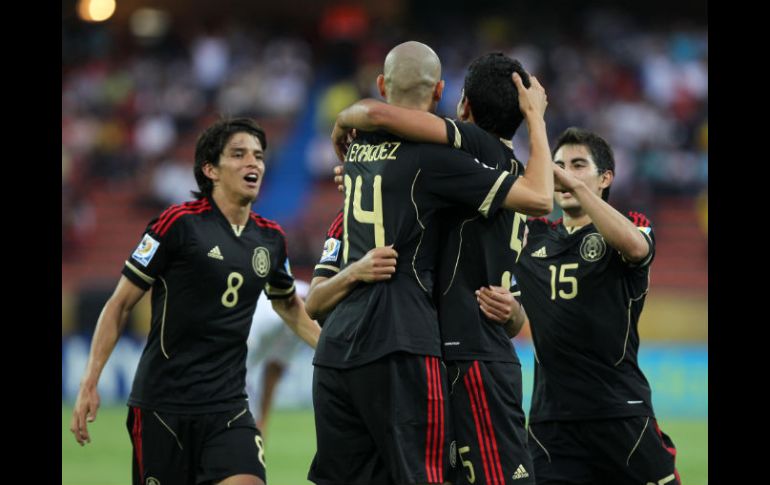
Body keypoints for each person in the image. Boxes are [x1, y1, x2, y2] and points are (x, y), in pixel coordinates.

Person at [305, 41, 552, 485]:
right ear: (440, 93)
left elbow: (376, 118)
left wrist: (344, 120)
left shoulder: (361, 158)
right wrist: (537, 119)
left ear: (382, 84)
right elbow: (540, 198)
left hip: (341, 349)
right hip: (412, 344)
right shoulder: (449, 162)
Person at [69, 117, 322, 485]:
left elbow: (288, 306)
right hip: (163, 406)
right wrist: (89, 381)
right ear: (211, 169)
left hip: (229, 406)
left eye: (258, 156)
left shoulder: (271, 239)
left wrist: (332, 350)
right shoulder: (177, 225)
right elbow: (119, 305)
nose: (253, 163)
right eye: (238, 154)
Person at [509, 127, 680, 485]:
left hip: (621, 414)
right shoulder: (532, 237)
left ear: (606, 178)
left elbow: (636, 248)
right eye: (558, 166)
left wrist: (576, 187)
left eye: (577, 165)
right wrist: (509, 313)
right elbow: (516, 321)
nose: (565, 173)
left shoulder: (631, 226)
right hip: (552, 424)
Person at [245, 280, 311, 434]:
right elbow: (238, 359)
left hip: (244, 369)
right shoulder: (268, 314)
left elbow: (274, 369)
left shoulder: (300, 326)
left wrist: (263, 422)